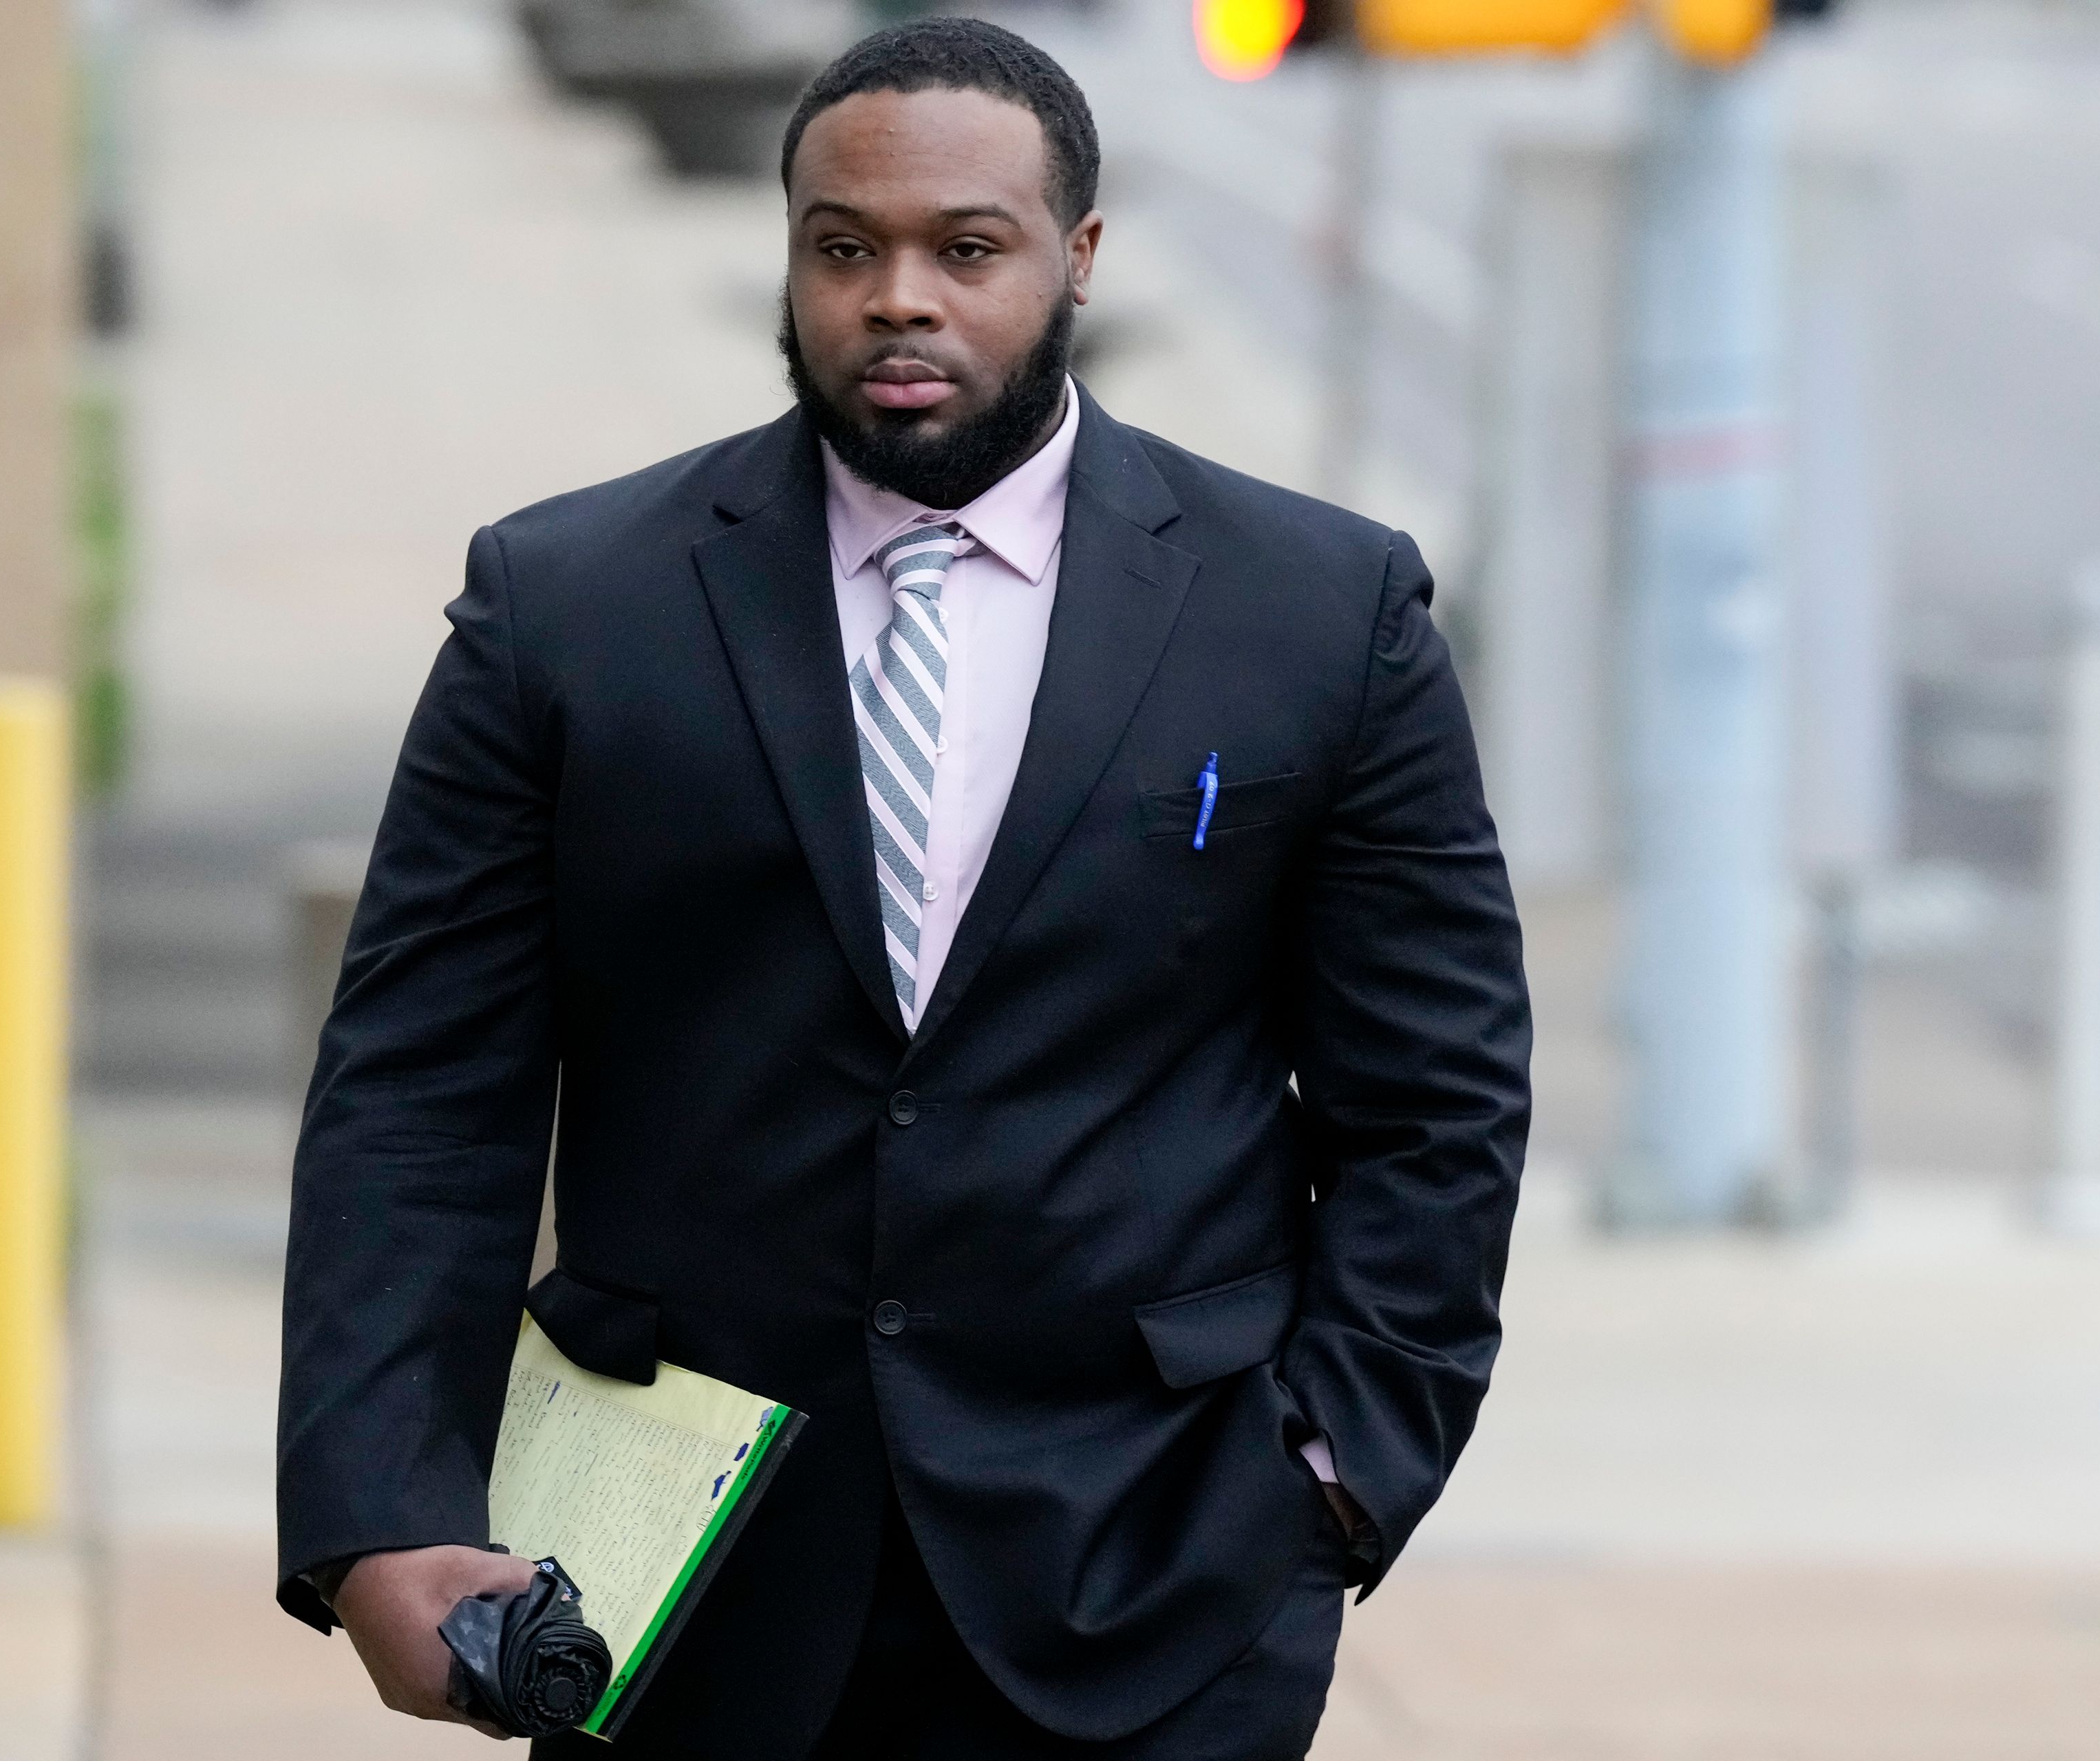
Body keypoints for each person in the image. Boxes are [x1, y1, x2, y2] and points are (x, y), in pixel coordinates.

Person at [275, 19, 1530, 1759]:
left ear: (1078, 258)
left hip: (1159, 1566)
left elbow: (1434, 1100)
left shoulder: (1321, 613)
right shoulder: (564, 606)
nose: (899, 299)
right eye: (843, 248)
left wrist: (1330, 1473)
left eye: (968, 247)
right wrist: (378, 1505)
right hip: (675, 1579)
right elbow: (418, 1088)